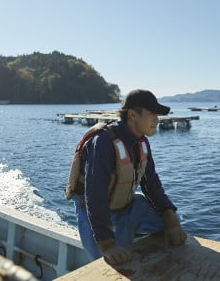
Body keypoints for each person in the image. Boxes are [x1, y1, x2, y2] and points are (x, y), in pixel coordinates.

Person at [73, 89, 187, 265]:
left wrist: (170, 218)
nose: (157, 119)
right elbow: (95, 196)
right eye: (152, 114)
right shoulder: (103, 142)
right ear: (133, 114)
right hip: (94, 212)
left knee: (173, 221)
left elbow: (152, 184)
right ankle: (114, 240)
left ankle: (129, 236)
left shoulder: (142, 142)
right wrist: (106, 244)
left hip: (126, 206)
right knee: (111, 264)